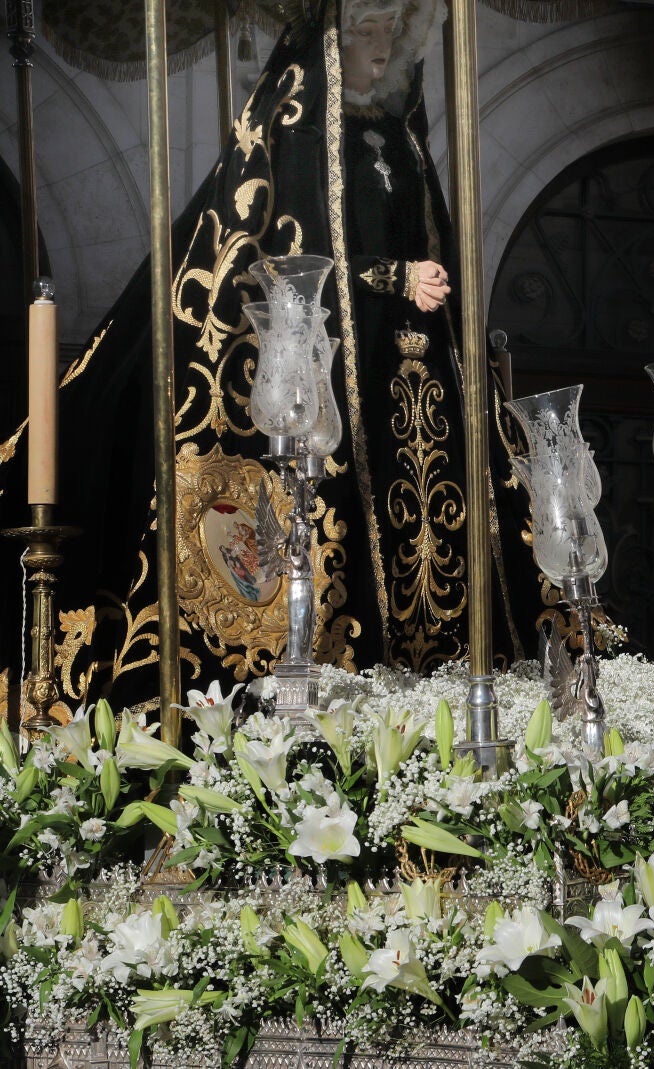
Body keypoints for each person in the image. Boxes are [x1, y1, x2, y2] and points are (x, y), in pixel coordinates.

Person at [0, 0, 540, 709]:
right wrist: (392, 277)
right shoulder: (302, 132)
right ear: (335, 43)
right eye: (366, 32)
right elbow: (290, 257)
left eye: (391, 34)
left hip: (411, 380)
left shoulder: (403, 142)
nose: (380, 49)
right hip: (329, 374)